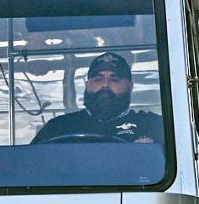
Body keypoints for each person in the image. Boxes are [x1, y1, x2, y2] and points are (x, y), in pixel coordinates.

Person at [31, 52, 163, 144]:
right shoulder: (59, 126)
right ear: (87, 85)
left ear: (130, 86)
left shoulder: (152, 125)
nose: (105, 85)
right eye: (98, 79)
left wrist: (150, 151)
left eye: (115, 79)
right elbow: (31, 167)